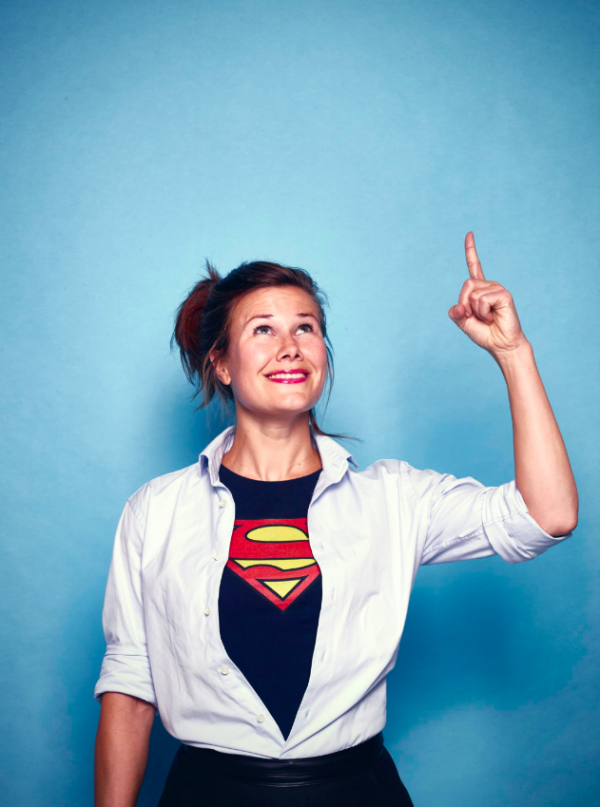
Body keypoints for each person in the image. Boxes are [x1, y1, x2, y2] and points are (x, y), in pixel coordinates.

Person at [93, 233, 578, 806]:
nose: (290, 347)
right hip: (207, 793)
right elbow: (130, 689)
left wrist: (513, 352)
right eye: (263, 330)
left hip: (356, 791)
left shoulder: (392, 498)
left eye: (306, 328)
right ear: (220, 363)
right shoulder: (156, 510)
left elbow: (547, 516)